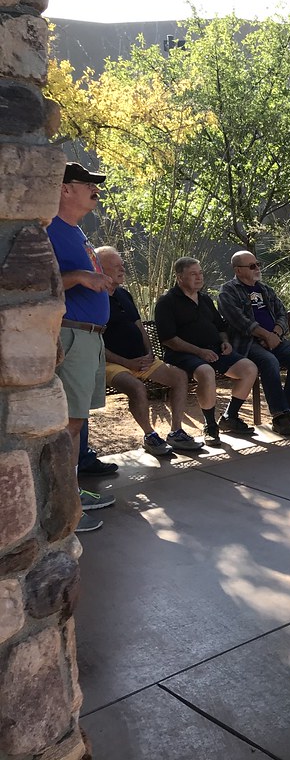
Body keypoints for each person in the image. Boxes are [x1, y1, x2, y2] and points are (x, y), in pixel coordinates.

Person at [48, 162, 118, 532]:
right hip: (71, 335)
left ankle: (71, 493)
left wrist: (98, 281)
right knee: (69, 424)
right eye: (87, 183)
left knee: (77, 420)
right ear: (64, 189)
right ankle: (64, 506)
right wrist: (79, 277)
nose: (96, 189)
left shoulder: (77, 233)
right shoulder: (49, 230)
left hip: (90, 336)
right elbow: (34, 283)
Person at [95, 247, 204, 455]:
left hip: (142, 360)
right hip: (113, 363)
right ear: (100, 268)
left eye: (122, 264)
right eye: (116, 265)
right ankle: (150, 435)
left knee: (179, 376)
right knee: (136, 388)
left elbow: (139, 326)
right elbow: (96, 341)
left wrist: (149, 352)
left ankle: (176, 431)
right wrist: (127, 363)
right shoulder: (94, 299)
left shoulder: (123, 294)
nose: (122, 268)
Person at [154, 257, 258, 447]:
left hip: (213, 350)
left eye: (200, 273)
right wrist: (199, 352)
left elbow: (220, 327)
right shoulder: (167, 302)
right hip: (182, 355)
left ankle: (230, 416)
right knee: (206, 372)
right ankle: (210, 426)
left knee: (249, 368)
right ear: (179, 277)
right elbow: (169, 339)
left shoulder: (205, 299)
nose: (199, 277)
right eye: (193, 274)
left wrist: (225, 342)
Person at [219, 251, 290, 436]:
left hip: (274, 339)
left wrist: (275, 333)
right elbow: (239, 320)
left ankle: (288, 410)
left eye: (257, 264)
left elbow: (282, 313)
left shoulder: (265, 289)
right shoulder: (228, 291)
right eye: (252, 266)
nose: (257, 268)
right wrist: (265, 335)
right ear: (238, 270)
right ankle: (278, 416)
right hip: (247, 343)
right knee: (270, 362)